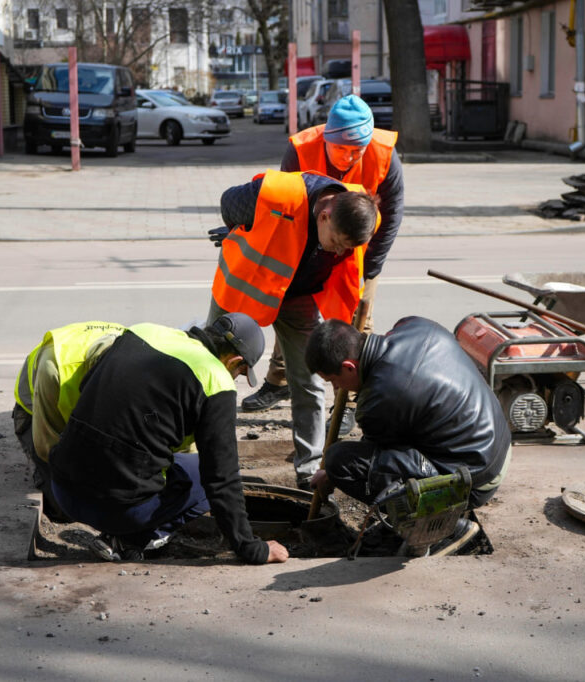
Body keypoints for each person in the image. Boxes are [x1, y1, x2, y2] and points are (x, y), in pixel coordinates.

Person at [47, 313, 289, 565]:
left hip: (63, 489)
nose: (235, 379)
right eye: (239, 373)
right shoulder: (215, 378)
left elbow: (88, 386)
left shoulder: (143, 332)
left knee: (168, 462)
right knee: (201, 475)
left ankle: (120, 530)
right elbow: (221, 478)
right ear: (234, 360)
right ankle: (132, 540)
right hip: (117, 511)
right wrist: (253, 549)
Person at [243, 95, 404, 436]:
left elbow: (390, 218)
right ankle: (280, 380)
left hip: (357, 250)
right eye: (342, 149)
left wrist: (369, 268)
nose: (350, 156)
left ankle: (347, 402)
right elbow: (288, 205)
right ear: (327, 138)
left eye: (357, 149)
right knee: (293, 314)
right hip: (308, 246)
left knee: (354, 322)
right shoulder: (302, 150)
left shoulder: (385, 155)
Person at [209, 169, 379, 489]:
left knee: (309, 377)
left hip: (298, 296)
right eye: (336, 243)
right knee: (214, 368)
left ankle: (309, 465)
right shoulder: (276, 194)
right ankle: (207, 456)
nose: (338, 253)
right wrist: (241, 228)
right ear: (325, 216)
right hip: (243, 288)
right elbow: (228, 203)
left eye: (345, 248)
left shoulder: (360, 211)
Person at [305, 316, 511, 531]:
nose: (338, 388)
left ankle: (435, 524)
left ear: (349, 367)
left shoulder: (380, 400)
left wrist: (331, 474)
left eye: (333, 381)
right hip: (498, 446)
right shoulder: (415, 325)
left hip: (473, 481)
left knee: (340, 461)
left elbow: (373, 459)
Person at [12, 320, 127, 521]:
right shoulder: (55, 368)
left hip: (80, 410)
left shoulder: (137, 364)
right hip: (36, 411)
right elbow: (47, 447)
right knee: (69, 508)